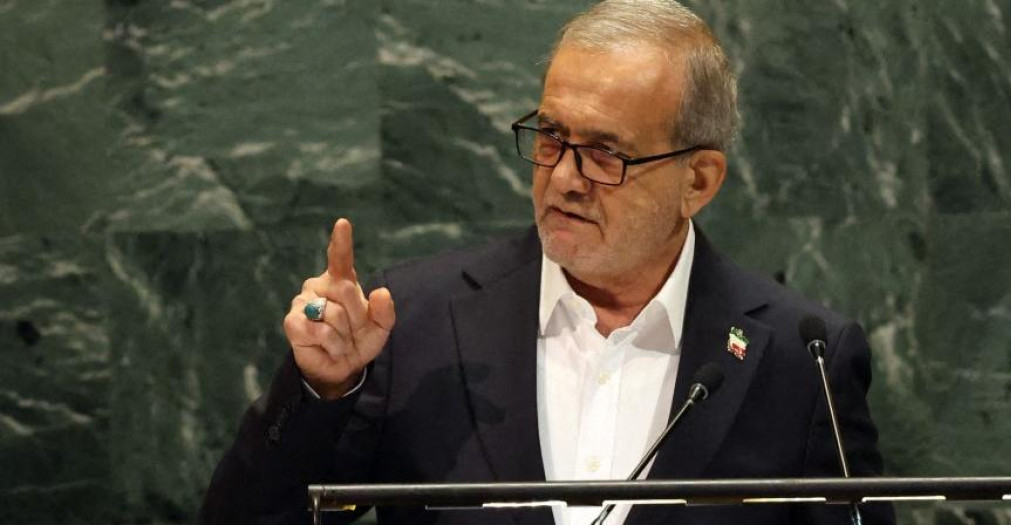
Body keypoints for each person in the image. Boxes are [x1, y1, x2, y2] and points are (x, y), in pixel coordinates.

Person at [201, 1, 894, 524]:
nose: (563, 176)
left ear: (700, 180)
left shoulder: (801, 359)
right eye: (551, 136)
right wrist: (322, 391)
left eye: (605, 152)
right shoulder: (413, 324)